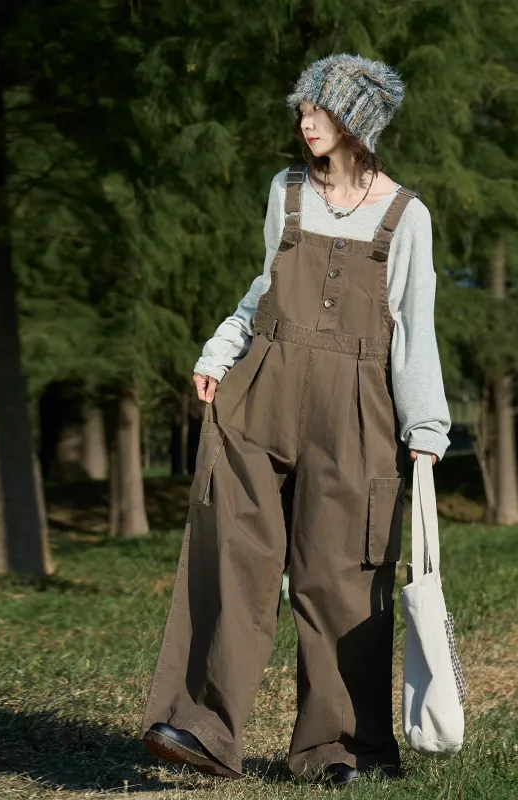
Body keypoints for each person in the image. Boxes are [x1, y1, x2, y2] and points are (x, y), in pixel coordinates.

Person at [139, 53, 451, 788]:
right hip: (262, 387)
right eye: (303, 109)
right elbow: (264, 287)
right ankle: (202, 729)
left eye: (321, 110)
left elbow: (415, 326)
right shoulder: (284, 192)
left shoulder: (407, 215)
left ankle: (340, 749)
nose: (306, 122)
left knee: (342, 577)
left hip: (358, 408)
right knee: (232, 556)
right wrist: (222, 349)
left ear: (357, 121)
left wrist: (426, 429)